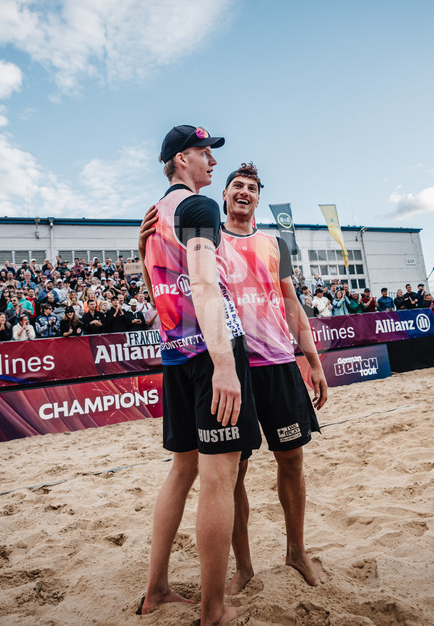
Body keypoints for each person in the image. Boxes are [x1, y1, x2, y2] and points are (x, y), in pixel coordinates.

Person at [136, 125, 259, 625]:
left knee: (182, 469)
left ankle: (156, 590)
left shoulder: (154, 217)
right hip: (210, 349)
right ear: (182, 158)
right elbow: (205, 285)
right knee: (218, 478)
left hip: (175, 354)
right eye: (205, 152)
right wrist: (225, 365)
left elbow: (157, 291)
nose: (212, 160)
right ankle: (213, 611)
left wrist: (139, 251)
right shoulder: (199, 207)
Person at [207, 162, 328, 593]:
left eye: (252, 187)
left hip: (278, 364)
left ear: (258, 198)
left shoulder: (275, 243)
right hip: (233, 370)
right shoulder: (208, 241)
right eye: (237, 185)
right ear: (225, 194)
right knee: (234, 473)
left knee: (292, 460)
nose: (245, 191)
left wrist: (313, 361)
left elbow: (292, 303)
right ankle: (243, 567)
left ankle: (296, 551)